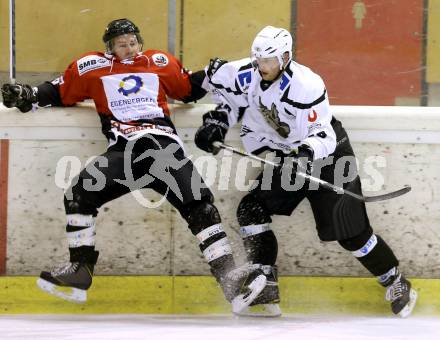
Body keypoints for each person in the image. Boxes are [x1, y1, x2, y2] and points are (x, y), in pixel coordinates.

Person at [1, 18, 266, 310]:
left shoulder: (159, 61)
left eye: (132, 42)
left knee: (200, 205)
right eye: (120, 44)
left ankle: (231, 280)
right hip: (126, 150)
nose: (128, 48)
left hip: (163, 147)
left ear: (139, 42)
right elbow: (55, 92)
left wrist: (212, 74)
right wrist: (26, 95)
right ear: (110, 48)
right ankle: (80, 269)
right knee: (79, 194)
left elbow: (187, 89)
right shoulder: (91, 67)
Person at [194, 25, 417, 317]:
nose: (263, 67)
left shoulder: (306, 84)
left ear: (286, 57)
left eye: (270, 61)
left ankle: (396, 280)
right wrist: (216, 124)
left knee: (351, 234)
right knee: (252, 208)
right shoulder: (245, 73)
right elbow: (226, 97)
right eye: (258, 60)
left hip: (327, 157)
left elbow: (322, 134)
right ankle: (266, 282)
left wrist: (304, 155)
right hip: (288, 157)